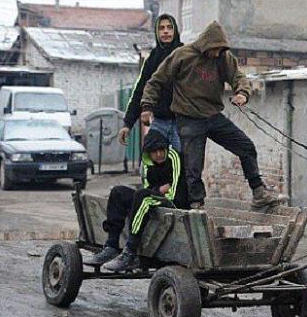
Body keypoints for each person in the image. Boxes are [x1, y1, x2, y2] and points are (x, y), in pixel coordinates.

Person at [140, 20, 281, 211]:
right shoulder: (183, 56)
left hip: (213, 116)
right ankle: (196, 204)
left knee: (246, 146)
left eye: (220, 49)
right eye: (214, 49)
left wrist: (242, 93)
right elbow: (155, 81)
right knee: (193, 166)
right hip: (188, 117)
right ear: (205, 44)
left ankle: (259, 193)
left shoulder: (224, 57)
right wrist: (147, 106)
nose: (216, 53)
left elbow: (238, 77)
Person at [84, 128, 188, 271]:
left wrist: (156, 192)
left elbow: (175, 190)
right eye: (154, 151)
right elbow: (147, 187)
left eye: (161, 150)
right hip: (155, 197)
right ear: (148, 153)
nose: (158, 154)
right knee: (118, 192)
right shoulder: (146, 162)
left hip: (174, 202)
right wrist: (159, 190)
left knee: (143, 198)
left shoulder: (174, 157)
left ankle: (130, 251)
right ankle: (111, 246)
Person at [119, 14, 183, 151]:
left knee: (184, 166)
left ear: (175, 30)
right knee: (148, 165)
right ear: (157, 32)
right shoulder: (153, 58)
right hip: (160, 122)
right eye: (161, 28)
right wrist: (127, 124)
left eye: (169, 27)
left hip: (182, 123)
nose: (165, 31)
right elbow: (141, 90)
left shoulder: (185, 54)